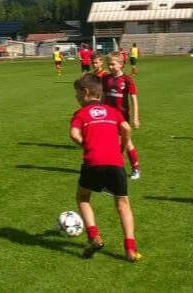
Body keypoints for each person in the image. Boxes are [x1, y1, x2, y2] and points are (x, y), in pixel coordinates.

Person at [70, 73, 142, 262]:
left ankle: (94, 236)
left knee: (83, 197)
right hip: (115, 162)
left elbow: (73, 134)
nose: (76, 98)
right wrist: (121, 148)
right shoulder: (113, 111)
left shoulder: (80, 114)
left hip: (93, 162)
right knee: (122, 204)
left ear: (85, 92)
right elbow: (126, 129)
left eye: (77, 94)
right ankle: (130, 250)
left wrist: (87, 145)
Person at [102, 52, 141, 179]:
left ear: (121, 64)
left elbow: (134, 99)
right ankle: (113, 167)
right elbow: (103, 96)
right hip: (108, 116)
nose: (111, 67)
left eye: (113, 64)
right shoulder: (106, 78)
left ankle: (135, 168)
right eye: (109, 65)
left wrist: (135, 117)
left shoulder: (127, 80)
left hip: (122, 117)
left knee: (127, 142)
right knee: (109, 143)